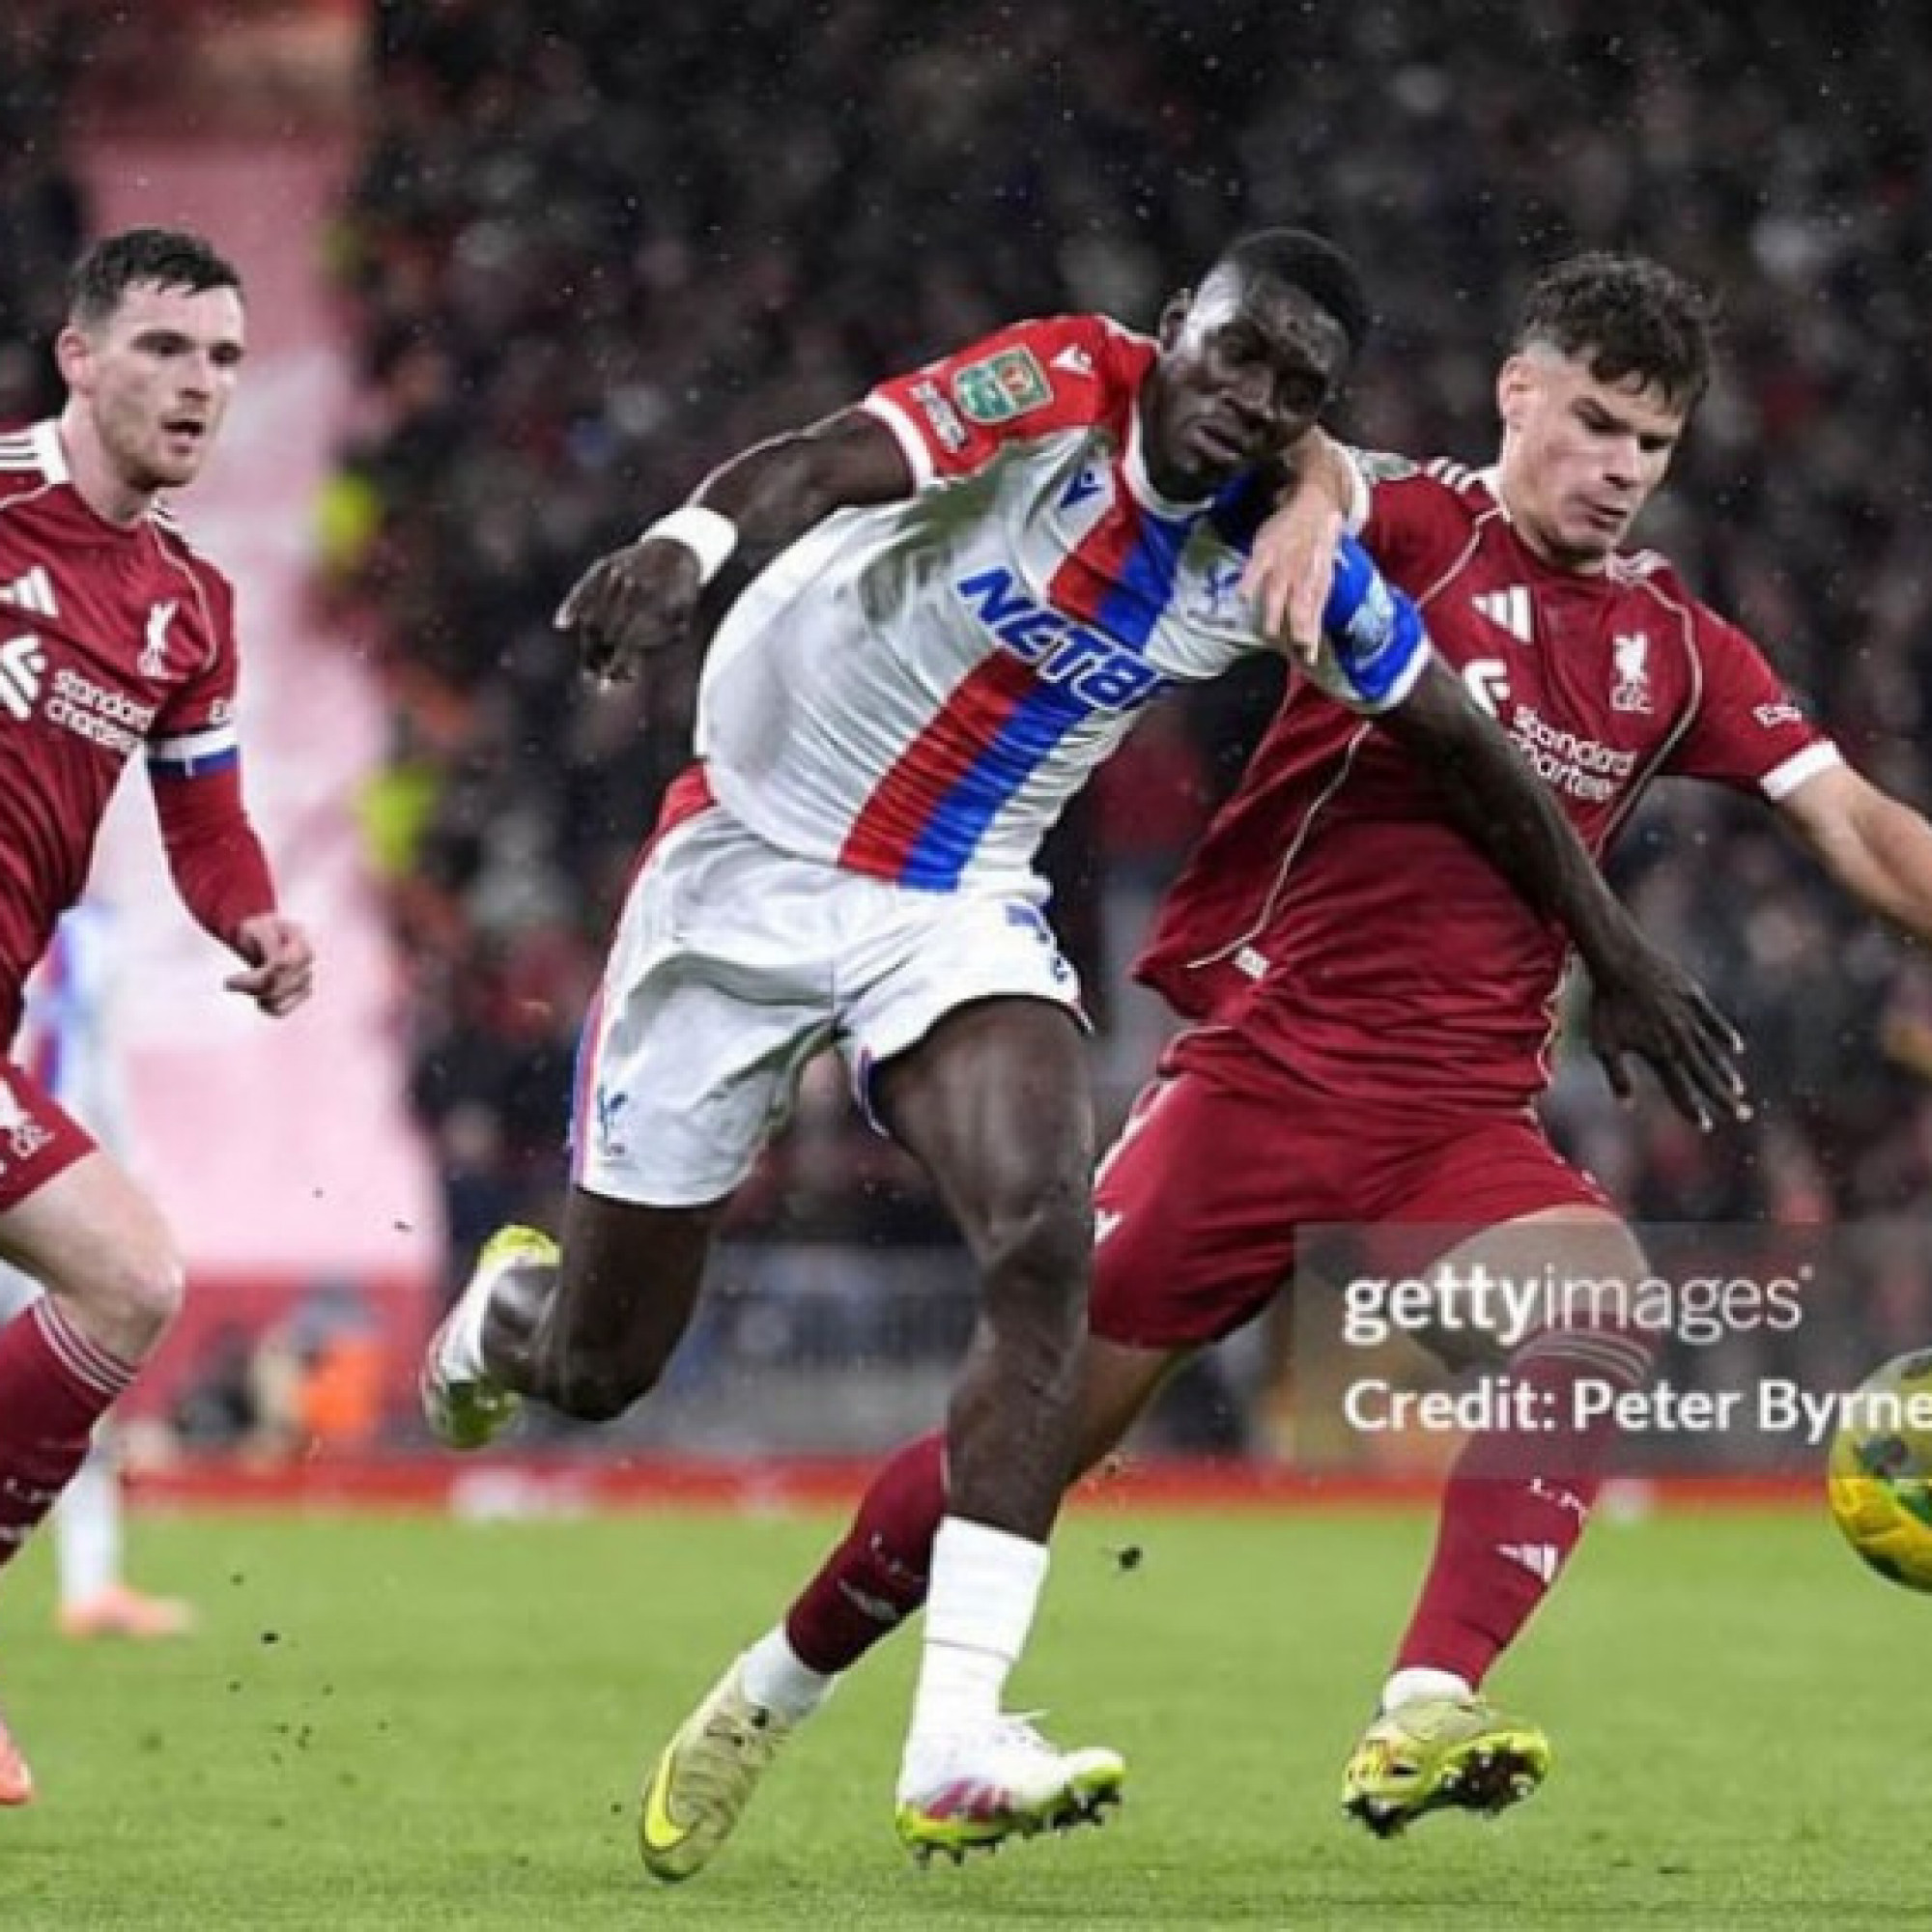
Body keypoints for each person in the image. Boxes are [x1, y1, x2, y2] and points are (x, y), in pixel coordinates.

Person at [418, 231, 1742, 1867]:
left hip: (952, 904)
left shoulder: (1286, 553)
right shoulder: (1058, 381)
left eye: (1292, 396)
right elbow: (829, 455)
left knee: (1043, 1235)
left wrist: (1613, 953)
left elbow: (1459, 742)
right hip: (742, 870)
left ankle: (960, 1733)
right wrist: (688, 544)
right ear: (1177, 326)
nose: (1245, 401)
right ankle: (518, 1314)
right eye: (1233, 355)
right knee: (601, 1372)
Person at [0, 227, 315, 1806]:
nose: (200, 385)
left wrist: (253, 919)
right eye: (167, 350)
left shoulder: (188, 606)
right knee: (121, 1269)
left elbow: (206, 830)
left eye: (224, 359)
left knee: (126, 1283)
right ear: (77, 354)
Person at [0, 899, 194, 1641]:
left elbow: (101, 1058)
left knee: (76, 1380)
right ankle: (92, 1579)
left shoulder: (94, 938)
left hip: (49, 1183)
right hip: (45, 1182)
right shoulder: (89, 939)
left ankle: (93, 1580)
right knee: (73, 1385)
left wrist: (125, 1179)